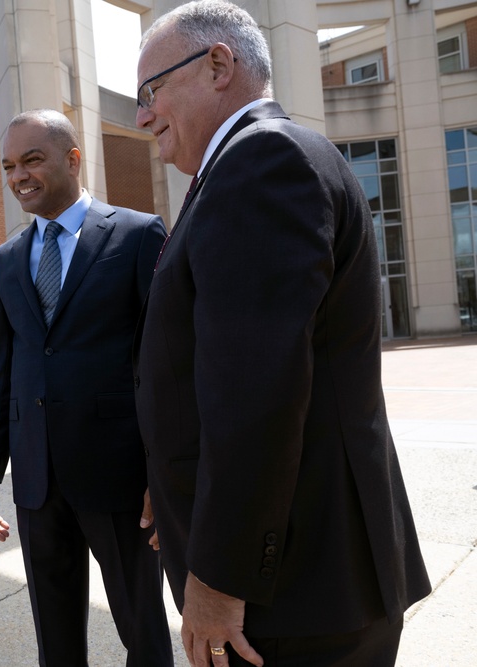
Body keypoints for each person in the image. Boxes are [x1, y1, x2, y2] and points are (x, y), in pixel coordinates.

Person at [132, 2, 432, 665]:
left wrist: (218, 575)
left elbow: (257, 397)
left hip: (293, 594)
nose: (143, 115)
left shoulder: (259, 163)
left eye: (151, 91)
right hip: (312, 579)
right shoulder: (261, 161)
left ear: (217, 65)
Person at [0, 109, 173, 666]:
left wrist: (163, 469)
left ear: (73, 159)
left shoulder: (137, 234)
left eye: (32, 160)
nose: (18, 176)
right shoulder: (7, 259)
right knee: (55, 641)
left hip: (120, 478)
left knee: (144, 631)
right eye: (10, 166)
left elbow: (166, 364)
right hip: (38, 483)